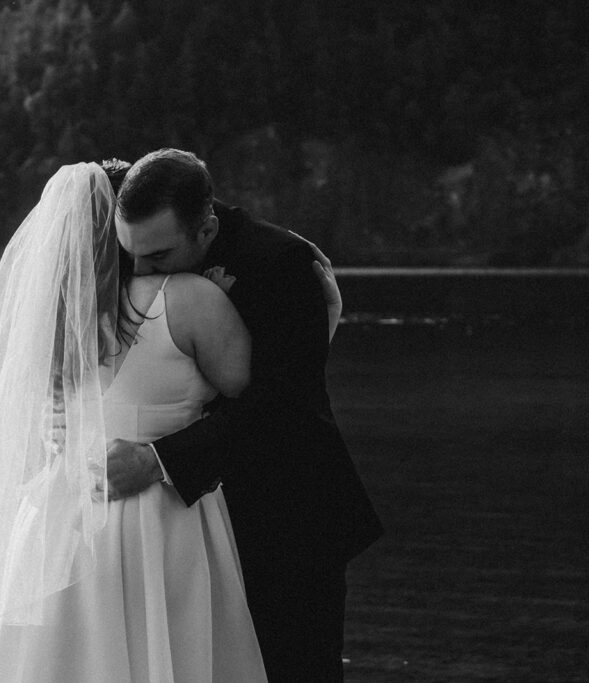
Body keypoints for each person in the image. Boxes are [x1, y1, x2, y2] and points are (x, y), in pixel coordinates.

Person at [0, 162, 268, 681]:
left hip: (55, 521)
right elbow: (250, 391)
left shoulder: (47, 325)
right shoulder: (193, 300)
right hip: (154, 518)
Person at [105, 149, 384, 681]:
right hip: (192, 525)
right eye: (131, 254)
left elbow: (284, 404)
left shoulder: (281, 262)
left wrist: (156, 461)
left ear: (206, 228)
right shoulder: (139, 252)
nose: (139, 271)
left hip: (287, 514)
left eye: (158, 257)